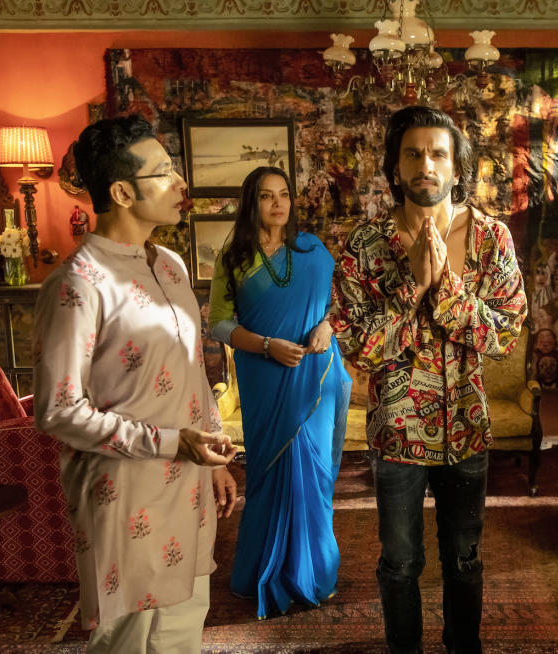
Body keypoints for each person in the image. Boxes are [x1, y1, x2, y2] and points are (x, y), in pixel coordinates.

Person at [33, 115, 239, 654]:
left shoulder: (169, 266)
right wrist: (175, 443)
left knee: (182, 630)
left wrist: (210, 447)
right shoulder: (78, 284)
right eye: (165, 173)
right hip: (126, 496)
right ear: (122, 191)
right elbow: (58, 410)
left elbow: (194, 368)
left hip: (189, 485)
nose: (181, 185)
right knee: (127, 640)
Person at [331, 105, 527, 654]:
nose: (426, 165)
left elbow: (504, 333)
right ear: (395, 167)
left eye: (438, 153)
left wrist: (447, 290)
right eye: (413, 154)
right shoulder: (365, 245)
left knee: (464, 559)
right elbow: (360, 348)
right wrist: (411, 287)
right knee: (400, 561)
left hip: (466, 427)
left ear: (457, 168)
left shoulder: (491, 240)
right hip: (397, 435)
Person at [208, 166, 351, 619]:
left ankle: (314, 573)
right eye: (267, 196)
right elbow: (219, 322)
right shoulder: (234, 256)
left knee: (313, 471)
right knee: (270, 473)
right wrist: (266, 345)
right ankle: (258, 572)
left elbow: (340, 303)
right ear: (251, 203)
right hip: (263, 375)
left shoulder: (311, 250)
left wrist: (328, 325)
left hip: (315, 374)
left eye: (284, 195)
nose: (278, 204)